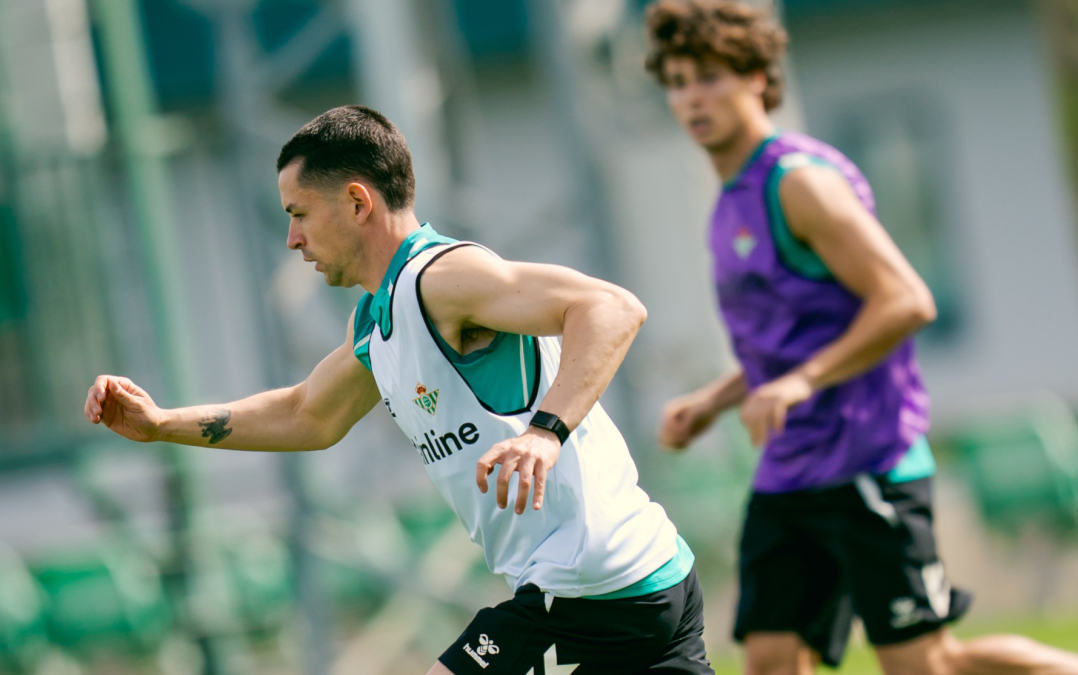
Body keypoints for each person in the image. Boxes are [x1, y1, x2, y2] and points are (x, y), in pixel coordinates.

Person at [642, 2, 1078, 675]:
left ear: (756, 77)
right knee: (771, 660)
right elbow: (787, 343)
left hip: (869, 460)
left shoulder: (801, 184)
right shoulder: (730, 200)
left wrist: (800, 382)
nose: (691, 98)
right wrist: (715, 400)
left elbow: (905, 299)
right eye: (677, 82)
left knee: (927, 664)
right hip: (790, 471)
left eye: (709, 77)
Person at [83, 105, 714, 675]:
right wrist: (160, 424)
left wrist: (544, 434)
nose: (292, 238)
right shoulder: (377, 323)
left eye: (299, 214)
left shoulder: (440, 277)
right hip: (644, 576)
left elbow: (611, 308)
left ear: (357, 202)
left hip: (590, 589)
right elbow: (307, 414)